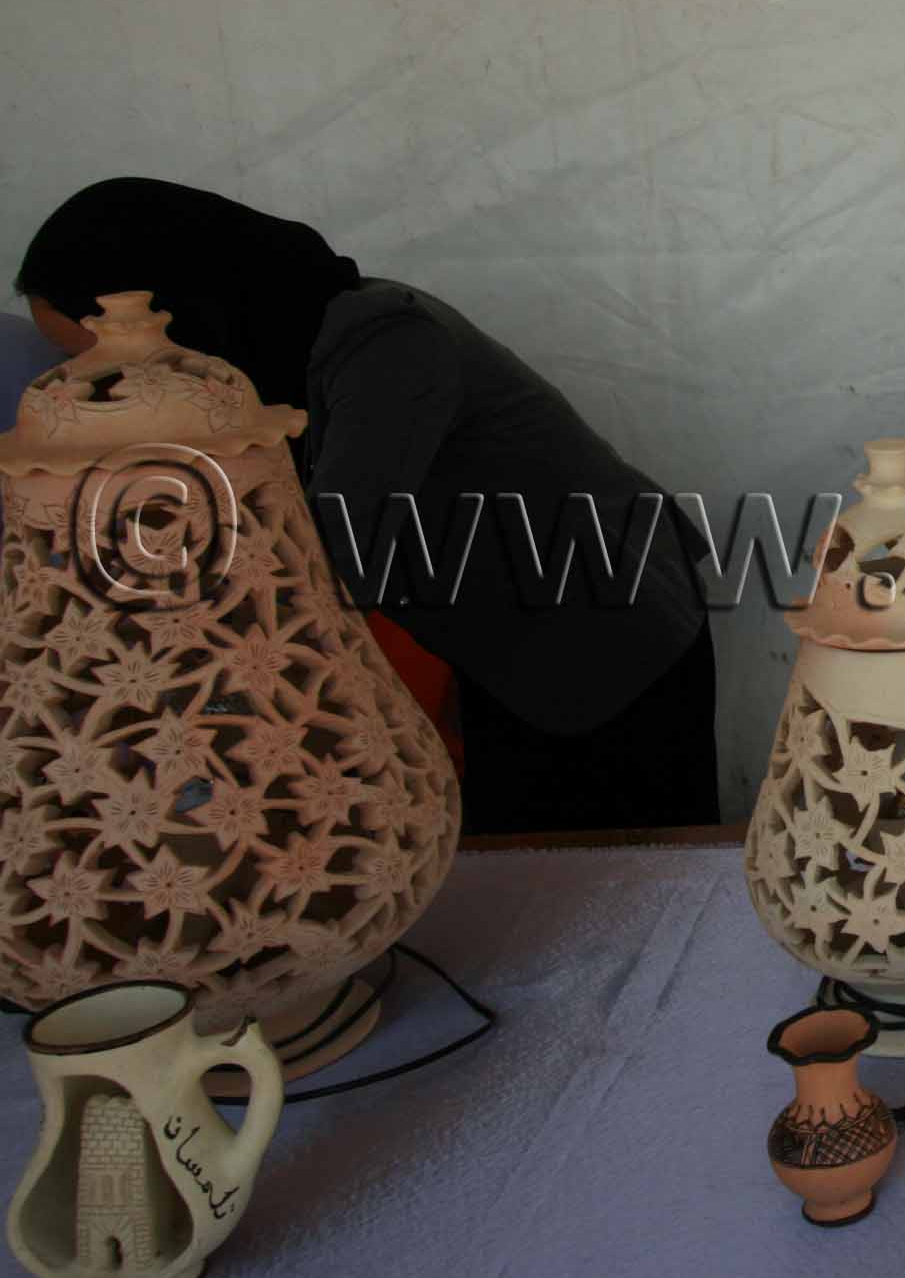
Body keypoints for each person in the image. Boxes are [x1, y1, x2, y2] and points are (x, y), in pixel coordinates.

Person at [16, 179, 718, 835]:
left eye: (104, 361)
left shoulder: (385, 342)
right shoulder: (264, 366)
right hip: (506, 640)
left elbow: (335, 553)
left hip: (606, 627)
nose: (108, 387)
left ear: (177, 301)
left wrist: (158, 679)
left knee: (620, 872)